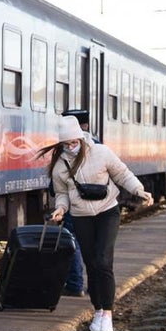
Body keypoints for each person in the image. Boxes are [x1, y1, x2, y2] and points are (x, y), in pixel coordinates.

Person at [41, 115, 154, 331]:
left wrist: (139, 190)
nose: (71, 147)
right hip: (81, 216)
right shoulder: (59, 165)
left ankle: (108, 315)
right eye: (66, 144)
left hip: (107, 212)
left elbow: (122, 173)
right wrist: (60, 209)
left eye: (74, 142)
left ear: (81, 138)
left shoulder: (101, 152)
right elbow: (62, 194)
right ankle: (98, 310)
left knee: (103, 261)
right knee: (91, 264)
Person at [57, 108, 97, 296]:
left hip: (76, 206)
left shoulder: (66, 150)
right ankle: (94, 285)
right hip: (98, 206)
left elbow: (57, 182)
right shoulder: (98, 146)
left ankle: (75, 284)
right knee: (94, 246)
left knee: (73, 242)